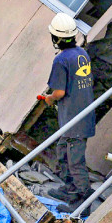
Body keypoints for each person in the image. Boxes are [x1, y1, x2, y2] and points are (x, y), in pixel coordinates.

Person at [41, 13, 96, 209]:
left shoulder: (61, 60)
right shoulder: (82, 54)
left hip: (74, 120)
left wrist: (49, 98)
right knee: (63, 153)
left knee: (75, 162)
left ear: (55, 38)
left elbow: (59, 92)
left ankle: (83, 203)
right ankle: (70, 189)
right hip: (82, 116)